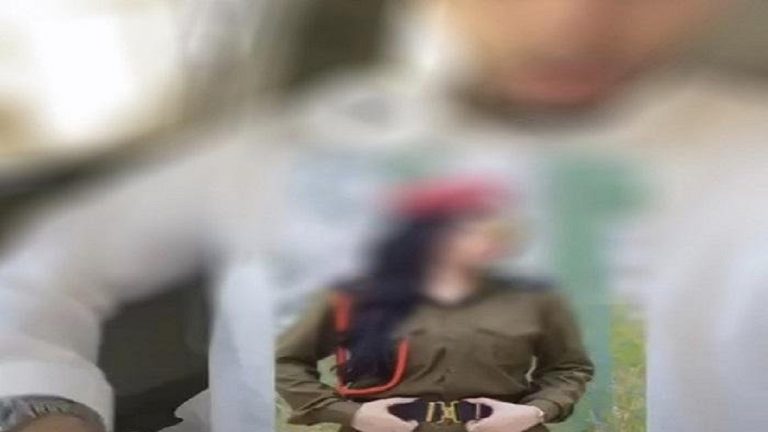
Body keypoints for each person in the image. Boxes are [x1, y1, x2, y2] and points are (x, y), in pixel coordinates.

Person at [1, 1, 767, 432]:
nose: (568, 25)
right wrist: (46, 407)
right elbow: (47, 269)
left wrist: (532, 411)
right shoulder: (300, 145)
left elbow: (570, 372)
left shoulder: (743, 170)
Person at [276, 178, 594, 432]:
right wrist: (351, 415)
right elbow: (284, 361)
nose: (493, 238)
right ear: (428, 233)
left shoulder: (535, 299)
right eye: (475, 227)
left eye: (499, 229)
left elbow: (567, 368)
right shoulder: (357, 297)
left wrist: (533, 412)